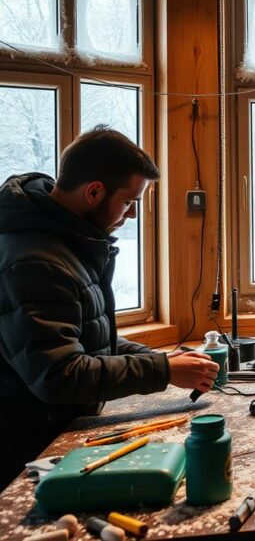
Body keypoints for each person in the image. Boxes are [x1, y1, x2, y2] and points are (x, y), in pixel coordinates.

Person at [0, 127, 221, 488]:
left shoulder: (67, 244)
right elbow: (60, 376)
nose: (132, 215)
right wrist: (163, 369)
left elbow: (91, 340)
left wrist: (164, 360)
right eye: (129, 201)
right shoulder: (34, 262)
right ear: (94, 192)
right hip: (28, 457)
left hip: (60, 437)